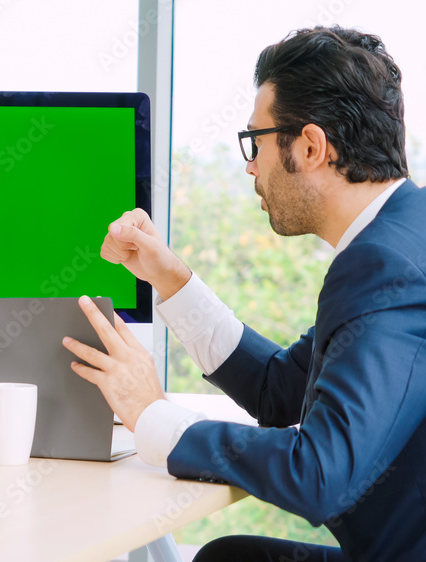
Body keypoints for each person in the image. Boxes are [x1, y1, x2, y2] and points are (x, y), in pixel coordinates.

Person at [62, 26, 425, 560]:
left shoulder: (382, 267)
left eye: (256, 142)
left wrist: (152, 413)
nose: (251, 166)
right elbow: (281, 391)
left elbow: (320, 474)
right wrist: (171, 278)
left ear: (310, 146)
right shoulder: (403, 234)